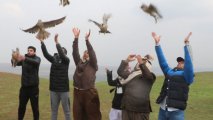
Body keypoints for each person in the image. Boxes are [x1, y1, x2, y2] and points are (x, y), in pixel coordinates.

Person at [151, 32, 194, 120]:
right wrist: (157, 44)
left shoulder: (187, 75)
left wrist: (186, 45)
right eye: (179, 61)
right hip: (162, 110)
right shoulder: (169, 71)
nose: (179, 63)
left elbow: (189, 63)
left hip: (176, 113)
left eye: (182, 62)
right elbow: (162, 62)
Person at [72, 28, 101, 120]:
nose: (86, 53)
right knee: (78, 115)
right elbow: (74, 53)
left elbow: (92, 53)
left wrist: (87, 40)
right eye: (85, 52)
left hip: (89, 92)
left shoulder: (93, 64)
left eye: (88, 53)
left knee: (92, 116)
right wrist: (76, 38)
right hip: (77, 92)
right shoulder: (79, 62)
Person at [39, 34, 71, 120]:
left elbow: (61, 54)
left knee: (67, 111)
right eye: (61, 51)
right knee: (54, 111)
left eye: (63, 51)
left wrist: (57, 43)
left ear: (65, 54)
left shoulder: (66, 60)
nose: (61, 52)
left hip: (64, 90)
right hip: (53, 90)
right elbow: (45, 54)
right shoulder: (53, 59)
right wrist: (42, 42)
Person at [117, 54, 156, 120]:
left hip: (140, 111)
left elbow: (147, 75)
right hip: (127, 108)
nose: (139, 63)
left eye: (143, 62)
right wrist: (127, 61)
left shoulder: (150, 77)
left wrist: (141, 63)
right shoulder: (132, 75)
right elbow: (120, 72)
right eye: (139, 62)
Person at [13, 46, 41, 120]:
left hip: (34, 89)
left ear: (34, 52)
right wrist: (14, 57)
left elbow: (36, 62)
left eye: (31, 50)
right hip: (24, 88)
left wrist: (25, 58)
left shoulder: (37, 59)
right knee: (21, 107)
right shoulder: (23, 59)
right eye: (28, 50)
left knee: (35, 108)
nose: (29, 51)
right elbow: (15, 64)